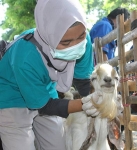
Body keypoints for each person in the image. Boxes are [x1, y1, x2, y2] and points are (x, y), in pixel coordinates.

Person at [0, 0, 100, 150]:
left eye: (80, 36)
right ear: (49, 36)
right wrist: (86, 104)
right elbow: (45, 106)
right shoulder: (26, 55)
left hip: (44, 90)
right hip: (11, 97)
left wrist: (99, 99)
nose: (75, 45)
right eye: (65, 43)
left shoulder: (83, 41)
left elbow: (83, 81)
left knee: (58, 145)